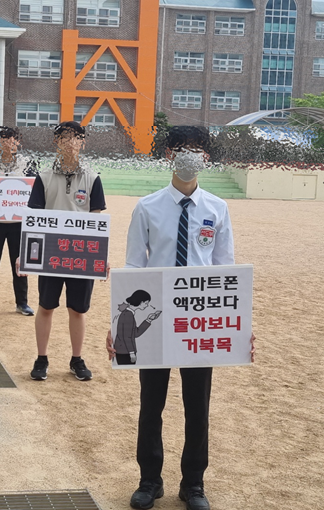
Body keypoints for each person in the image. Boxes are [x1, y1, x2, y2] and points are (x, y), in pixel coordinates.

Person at [105, 126, 256, 510]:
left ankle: (193, 483)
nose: (190, 155)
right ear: (169, 154)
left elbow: (225, 271)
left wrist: (240, 329)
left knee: (197, 406)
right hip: (156, 321)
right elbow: (133, 266)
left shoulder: (216, 208)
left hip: (198, 322)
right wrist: (117, 327)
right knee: (151, 403)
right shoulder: (148, 207)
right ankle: (149, 480)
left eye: (197, 149)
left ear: (207, 157)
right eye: (182, 148)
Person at [24, 121, 106, 382]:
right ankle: (41, 358)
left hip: (81, 255)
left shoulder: (93, 178)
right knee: (46, 306)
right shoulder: (44, 177)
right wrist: (24, 255)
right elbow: (34, 219)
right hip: (51, 253)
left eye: (76, 138)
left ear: (83, 143)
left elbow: (96, 222)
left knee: (78, 310)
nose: (71, 143)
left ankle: (76, 359)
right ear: (56, 143)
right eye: (65, 138)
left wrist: (100, 257)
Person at [0, 126, 35, 317]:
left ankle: (22, 303)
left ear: (18, 142)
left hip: (19, 223)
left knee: (19, 264)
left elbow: (34, 189)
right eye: (4, 139)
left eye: (12, 139)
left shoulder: (27, 163)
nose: (9, 143)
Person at [112, 290, 161, 365]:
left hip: (124, 351)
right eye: (146, 303)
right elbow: (127, 336)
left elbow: (135, 333)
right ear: (140, 302)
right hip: (125, 351)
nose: (147, 305)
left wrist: (149, 319)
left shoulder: (129, 313)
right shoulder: (128, 315)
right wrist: (131, 353)